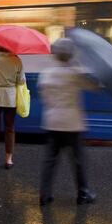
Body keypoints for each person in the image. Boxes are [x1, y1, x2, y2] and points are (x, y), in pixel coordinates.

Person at [38, 38, 97, 206]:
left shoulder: (46, 74)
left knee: (50, 161)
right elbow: (94, 87)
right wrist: (77, 66)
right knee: (78, 161)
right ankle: (83, 194)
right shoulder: (75, 74)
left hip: (52, 122)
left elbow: (45, 98)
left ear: (56, 55)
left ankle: (45, 195)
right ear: (70, 54)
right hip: (72, 124)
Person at [0, 46, 25, 169]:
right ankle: (8, 160)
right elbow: (21, 81)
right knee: (9, 128)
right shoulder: (16, 60)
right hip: (10, 99)